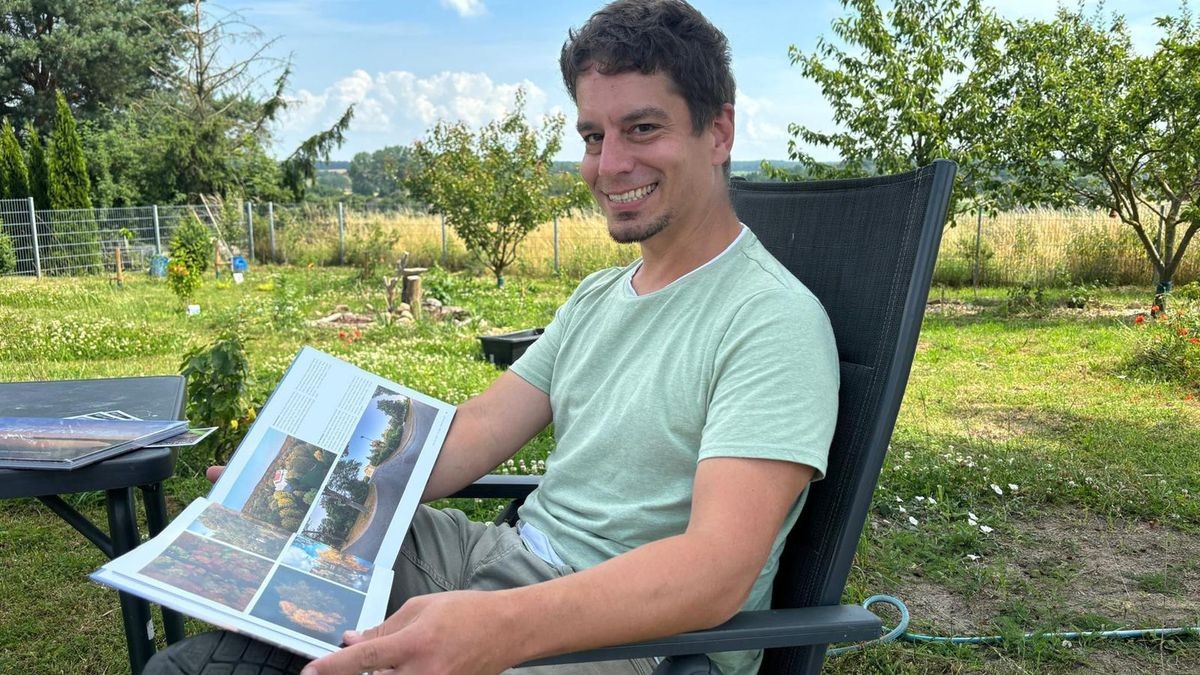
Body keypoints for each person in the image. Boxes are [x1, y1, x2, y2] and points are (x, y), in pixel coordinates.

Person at [145, 1, 837, 674]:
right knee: (281, 543)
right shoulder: (598, 296)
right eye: (594, 136)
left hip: (639, 639)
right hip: (501, 560)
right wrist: (315, 478)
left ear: (718, 134)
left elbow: (713, 573)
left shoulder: (771, 321)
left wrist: (499, 626)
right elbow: (473, 428)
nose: (609, 165)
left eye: (643, 128)